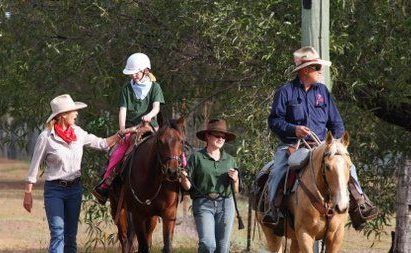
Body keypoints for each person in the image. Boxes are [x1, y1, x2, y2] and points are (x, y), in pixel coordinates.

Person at [262, 46, 378, 230]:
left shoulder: (323, 92)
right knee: (279, 169)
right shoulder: (285, 91)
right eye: (317, 67)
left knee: (348, 166)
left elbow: (337, 122)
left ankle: (360, 205)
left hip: (323, 146)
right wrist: (294, 129)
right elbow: (274, 121)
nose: (320, 70)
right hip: (293, 145)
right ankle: (273, 210)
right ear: (305, 70)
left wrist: (338, 144)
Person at [22, 94, 121, 253]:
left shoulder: (78, 132)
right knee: (58, 233)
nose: (76, 114)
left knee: (70, 236)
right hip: (54, 190)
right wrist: (28, 192)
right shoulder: (46, 137)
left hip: (74, 189)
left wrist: (121, 134)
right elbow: (34, 166)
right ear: (62, 116)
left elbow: (102, 144)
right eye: (73, 111)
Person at [92, 53, 165, 204]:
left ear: (145, 70)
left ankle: (182, 176)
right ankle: (106, 183)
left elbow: (156, 108)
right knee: (118, 153)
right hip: (133, 128)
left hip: (152, 127)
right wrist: (123, 129)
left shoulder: (155, 87)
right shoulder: (127, 88)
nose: (134, 76)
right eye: (132, 73)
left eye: (136, 72)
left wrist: (149, 115)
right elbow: (123, 110)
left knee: (171, 147)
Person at [180, 119, 239, 253]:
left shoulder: (230, 160)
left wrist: (235, 180)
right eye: (217, 135)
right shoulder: (196, 157)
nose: (220, 138)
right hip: (203, 204)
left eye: (223, 136)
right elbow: (187, 187)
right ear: (207, 136)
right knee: (208, 245)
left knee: (223, 248)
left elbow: (236, 190)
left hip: (226, 204)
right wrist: (183, 177)